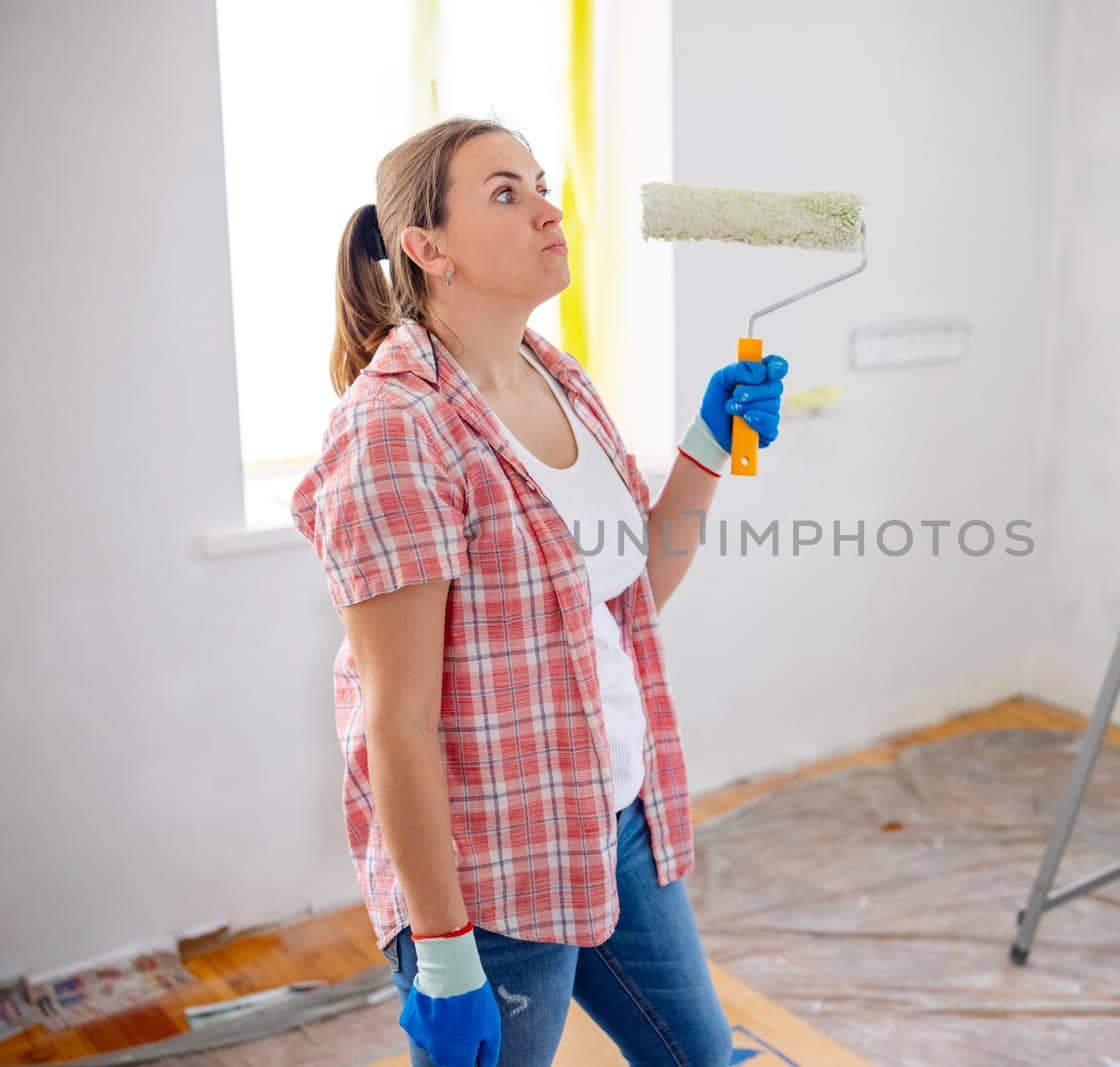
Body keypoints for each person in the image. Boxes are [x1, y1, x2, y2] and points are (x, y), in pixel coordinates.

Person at [289, 115, 786, 1066]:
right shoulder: (395, 429)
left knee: (703, 1059)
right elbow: (398, 723)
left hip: (616, 815)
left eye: (542, 184)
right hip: (490, 871)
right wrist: (441, 954)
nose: (549, 211)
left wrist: (709, 442)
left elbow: (630, 584)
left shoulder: (557, 377)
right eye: (506, 194)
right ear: (427, 249)